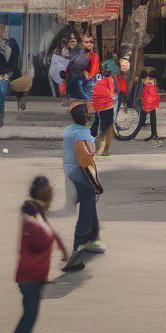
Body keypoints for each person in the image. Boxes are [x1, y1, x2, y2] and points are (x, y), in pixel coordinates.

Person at [1, 175, 69, 333]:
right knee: (28, 319)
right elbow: (43, 237)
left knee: (27, 316)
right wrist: (55, 242)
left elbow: (50, 232)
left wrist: (63, 248)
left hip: (32, 276)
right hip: (30, 276)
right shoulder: (33, 216)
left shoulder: (35, 211)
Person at [61, 103, 105, 260]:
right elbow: (89, 153)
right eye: (90, 112)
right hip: (79, 171)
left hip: (70, 169)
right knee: (88, 199)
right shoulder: (82, 134)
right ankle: (81, 239)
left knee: (90, 199)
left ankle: (92, 237)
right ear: (85, 115)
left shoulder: (70, 129)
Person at [89, 66, 117, 157]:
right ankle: (105, 150)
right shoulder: (112, 81)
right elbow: (114, 94)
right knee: (108, 128)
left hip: (99, 108)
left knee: (100, 128)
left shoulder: (97, 82)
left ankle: (96, 149)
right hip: (108, 107)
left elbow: (94, 95)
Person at [64, 33, 95, 105]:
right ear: (82, 43)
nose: (89, 44)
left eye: (91, 42)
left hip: (86, 82)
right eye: (86, 42)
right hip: (80, 81)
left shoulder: (93, 56)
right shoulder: (81, 56)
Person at [140, 69, 161, 146]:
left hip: (149, 101)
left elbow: (148, 95)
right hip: (151, 101)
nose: (143, 81)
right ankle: (154, 133)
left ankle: (154, 134)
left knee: (151, 116)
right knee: (153, 116)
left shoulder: (149, 86)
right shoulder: (153, 83)